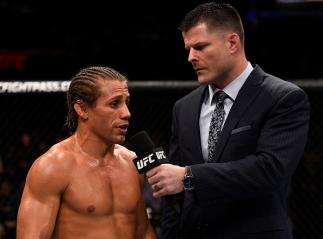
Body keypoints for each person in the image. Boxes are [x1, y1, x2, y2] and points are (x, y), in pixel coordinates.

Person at [146, 2, 310, 239]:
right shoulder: (185, 107)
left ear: (232, 43)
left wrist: (189, 176)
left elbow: (270, 170)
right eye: (188, 49)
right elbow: (175, 194)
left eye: (200, 46)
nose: (191, 57)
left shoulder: (282, 98)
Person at [17, 66, 156, 239]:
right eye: (114, 103)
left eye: (126, 103)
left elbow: (143, 233)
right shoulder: (53, 167)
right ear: (82, 109)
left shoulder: (131, 163)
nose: (126, 113)